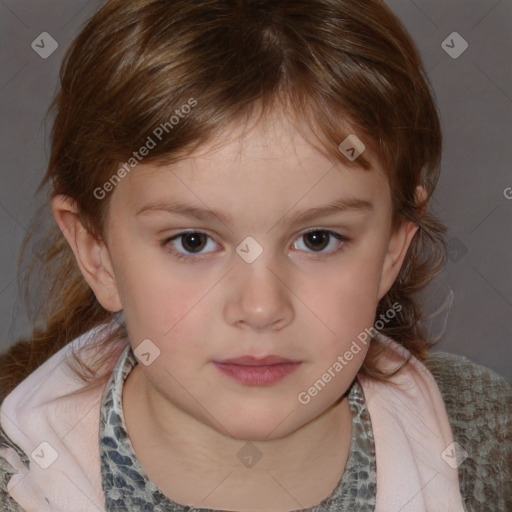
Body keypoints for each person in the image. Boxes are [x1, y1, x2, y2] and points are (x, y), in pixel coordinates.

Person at [0, 0, 510, 510]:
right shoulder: (14, 483)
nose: (262, 307)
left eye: (317, 239)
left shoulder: (485, 438)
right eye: (193, 241)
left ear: (393, 247)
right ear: (97, 253)